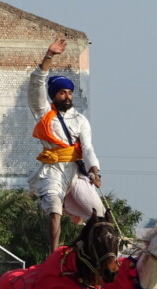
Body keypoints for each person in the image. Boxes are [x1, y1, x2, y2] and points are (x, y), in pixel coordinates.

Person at [27, 37, 105, 253]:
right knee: (54, 209)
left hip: (76, 171)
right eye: (63, 92)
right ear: (55, 95)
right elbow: (36, 86)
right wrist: (49, 56)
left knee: (98, 212)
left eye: (70, 92)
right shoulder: (45, 113)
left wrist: (94, 171)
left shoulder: (80, 119)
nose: (68, 96)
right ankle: (53, 254)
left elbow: (87, 148)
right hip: (52, 170)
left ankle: (93, 251)